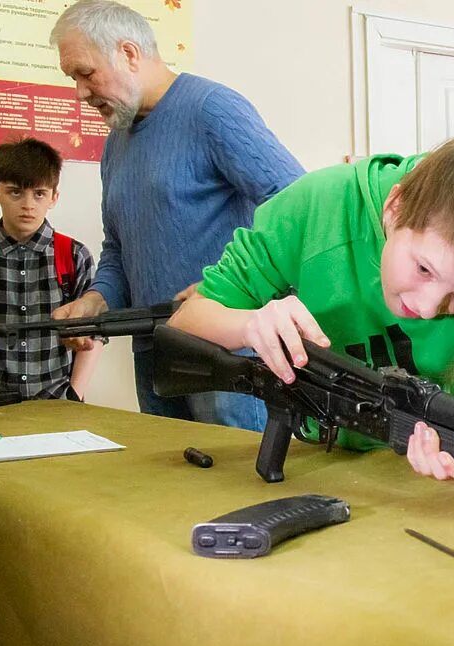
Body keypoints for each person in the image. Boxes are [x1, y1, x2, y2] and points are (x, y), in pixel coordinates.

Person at [168, 136, 454, 486]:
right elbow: (186, 320)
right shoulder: (315, 208)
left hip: (426, 487)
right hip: (316, 470)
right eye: (424, 269)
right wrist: (250, 324)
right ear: (394, 208)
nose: (425, 308)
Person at [48, 0, 305, 430]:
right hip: (154, 353)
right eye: (72, 78)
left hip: (225, 355)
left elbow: (298, 206)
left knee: (238, 488)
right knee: (176, 489)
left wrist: (224, 286)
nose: (79, 92)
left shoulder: (211, 109)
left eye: (85, 73)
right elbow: (118, 248)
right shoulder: (116, 144)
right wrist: (97, 299)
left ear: (128, 53)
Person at [0, 138, 102, 401]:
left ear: (54, 197)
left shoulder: (74, 255)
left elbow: (93, 333)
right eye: (15, 192)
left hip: (58, 399)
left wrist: (74, 395)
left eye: (39, 193)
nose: (28, 204)